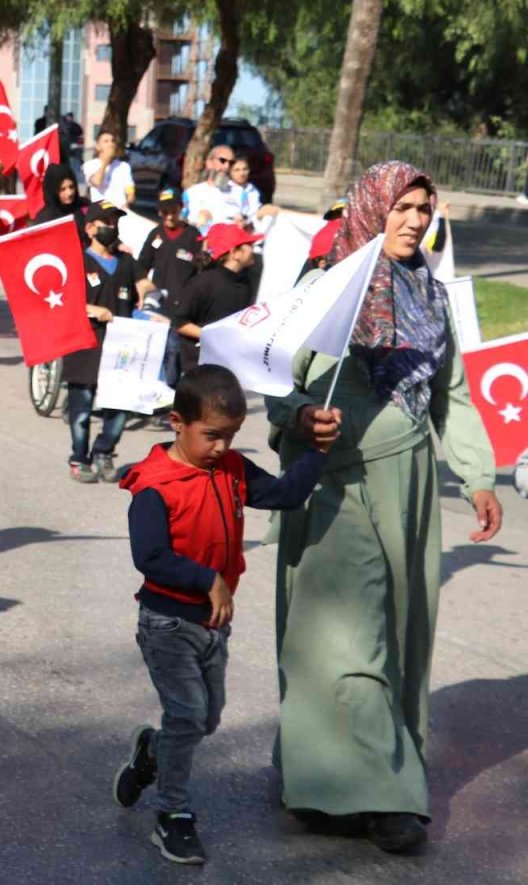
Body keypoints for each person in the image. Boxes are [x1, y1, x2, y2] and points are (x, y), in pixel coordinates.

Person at [266, 161, 503, 853]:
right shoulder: (326, 287)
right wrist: (303, 416)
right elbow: (278, 374)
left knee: (399, 628)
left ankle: (322, 780)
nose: (414, 221)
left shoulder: (429, 293)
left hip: (412, 482)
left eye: (424, 209)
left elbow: (449, 391)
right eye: (402, 206)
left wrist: (477, 474)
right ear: (370, 206)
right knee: (346, 631)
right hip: (338, 482)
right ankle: (389, 794)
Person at [113, 364, 335, 865]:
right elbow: (148, 556)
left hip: (214, 625)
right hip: (167, 622)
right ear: (177, 421)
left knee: (204, 720)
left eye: (231, 436)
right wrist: (206, 578)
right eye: (211, 435)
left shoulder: (231, 468)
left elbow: (282, 494)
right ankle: (172, 815)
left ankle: (152, 753)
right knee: (189, 716)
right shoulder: (155, 486)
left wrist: (318, 454)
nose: (221, 447)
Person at [64, 201, 137, 483]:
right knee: (81, 410)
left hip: (120, 347)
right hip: (85, 346)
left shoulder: (127, 261)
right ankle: (79, 457)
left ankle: (104, 451)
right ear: (91, 228)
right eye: (106, 221)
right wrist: (92, 310)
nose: (112, 226)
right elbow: (64, 302)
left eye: (115, 221)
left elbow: (143, 288)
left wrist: (151, 303)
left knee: (118, 408)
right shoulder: (77, 261)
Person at [135, 189, 202, 389]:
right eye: (165, 212)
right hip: (158, 303)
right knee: (155, 347)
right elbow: (141, 266)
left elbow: (201, 271)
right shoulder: (155, 234)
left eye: (173, 210)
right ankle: (152, 388)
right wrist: (143, 284)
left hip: (182, 305)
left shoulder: (193, 236)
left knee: (174, 348)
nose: (170, 216)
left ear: (181, 209)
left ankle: (169, 390)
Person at [173, 224, 263, 371]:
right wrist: (212, 337)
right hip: (197, 366)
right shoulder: (203, 282)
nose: (253, 249)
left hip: (228, 365)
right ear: (235, 253)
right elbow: (180, 323)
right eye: (249, 245)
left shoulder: (245, 283)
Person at [32, 162, 87, 244]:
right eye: (62, 189)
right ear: (52, 191)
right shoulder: (45, 219)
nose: (69, 193)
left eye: (71, 187)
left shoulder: (84, 205)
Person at [184, 146, 235, 232]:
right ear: (209, 163)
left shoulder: (240, 191)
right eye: (222, 161)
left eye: (231, 163)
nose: (227, 166)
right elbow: (184, 221)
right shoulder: (192, 192)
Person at [83, 130, 135, 209]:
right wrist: (106, 161)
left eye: (112, 141)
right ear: (98, 146)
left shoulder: (124, 166)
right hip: (102, 209)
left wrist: (128, 201)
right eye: (106, 141)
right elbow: (96, 182)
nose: (110, 144)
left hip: (121, 209)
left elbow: (130, 191)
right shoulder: (90, 165)